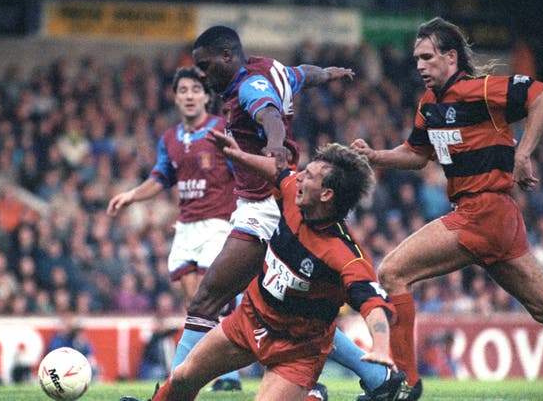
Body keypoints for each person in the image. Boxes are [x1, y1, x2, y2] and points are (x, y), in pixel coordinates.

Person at [160, 26, 399, 401]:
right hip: (275, 198)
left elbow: (267, 113)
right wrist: (330, 73)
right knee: (296, 308)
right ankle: (375, 377)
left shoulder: (248, 87)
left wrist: (273, 144)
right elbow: (305, 73)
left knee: (207, 299)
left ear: (227, 57)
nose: (202, 76)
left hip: (266, 207)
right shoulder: (273, 68)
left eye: (205, 67)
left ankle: (174, 387)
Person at [351, 16, 543, 401]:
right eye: (416, 58)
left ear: (451, 57)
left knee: (394, 271)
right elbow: (415, 156)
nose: (419, 66)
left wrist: (524, 154)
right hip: (495, 218)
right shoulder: (429, 104)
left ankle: (403, 385)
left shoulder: (480, 91)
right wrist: (375, 155)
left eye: (427, 57)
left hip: (483, 211)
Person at [143, 130, 403, 401]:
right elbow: (277, 171)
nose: (299, 176)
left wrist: (382, 349)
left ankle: (312, 397)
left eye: (309, 176)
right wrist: (237, 155)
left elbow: (374, 305)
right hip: (249, 320)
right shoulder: (294, 194)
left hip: (298, 351)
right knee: (184, 377)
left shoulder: (345, 255)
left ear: (326, 195)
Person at [107, 66, 241, 388]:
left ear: (207, 96)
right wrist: (131, 196)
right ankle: (218, 376)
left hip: (218, 224)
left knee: (212, 301)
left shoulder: (221, 130)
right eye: (183, 90)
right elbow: (161, 177)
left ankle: (206, 378)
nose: (190, 95)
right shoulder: (169, 138)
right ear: (176, 97)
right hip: (187, 228)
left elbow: (243, 169)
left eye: (196, 89)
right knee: (196, 307)